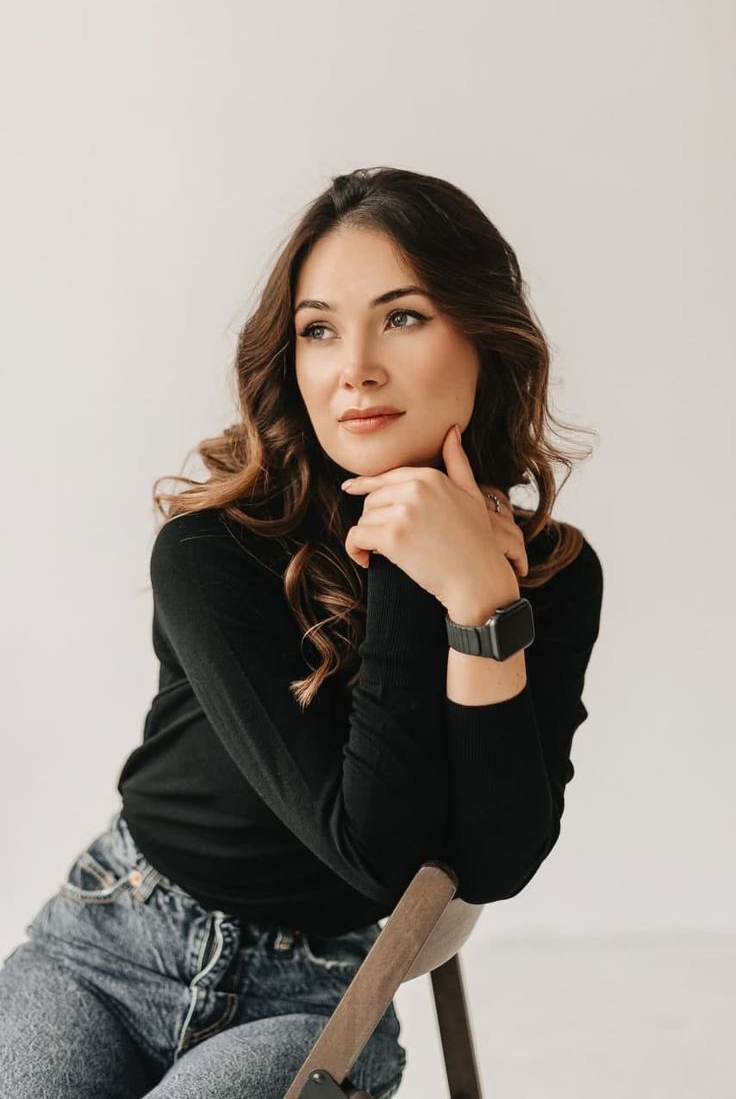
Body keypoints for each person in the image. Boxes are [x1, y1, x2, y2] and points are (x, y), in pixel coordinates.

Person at [0, 166, 604, 1098]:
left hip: (322, 993)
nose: (352, 365)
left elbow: (486, 859)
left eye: (402, 316)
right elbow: (364, 838)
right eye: (319, 328)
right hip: (107, 952)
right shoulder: (212, 552)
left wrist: (478, 603)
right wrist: (411, 550)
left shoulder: (551, 576)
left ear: (487, 337)